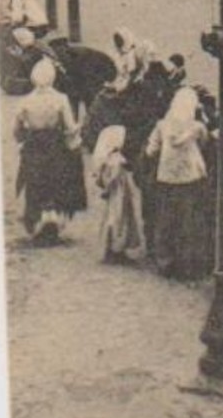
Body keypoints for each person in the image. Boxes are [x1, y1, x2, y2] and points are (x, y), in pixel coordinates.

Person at [12, 57, 87, 243]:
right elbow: (70, 127)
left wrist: (22, 140)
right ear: (53, 77)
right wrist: (77, 134)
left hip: (34, 145)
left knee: (36, 182)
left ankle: (38, 221)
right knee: (55, 181)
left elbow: (17, 130)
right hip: (55, 144)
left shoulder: (25, 101)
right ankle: (52, 220)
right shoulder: (61, 99)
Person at [145, 86, 212, 280]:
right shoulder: (197, 127)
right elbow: (204, 145)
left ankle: (166, 261)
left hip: (166, 177)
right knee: (191, 222)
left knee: (166, 221)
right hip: (192, 178)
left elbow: (151, 150)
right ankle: (190, 264)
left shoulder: (162, 125)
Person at [92, 124, 143, 263]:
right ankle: (116, 248)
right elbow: (113, 178)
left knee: (116, 218)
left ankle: (114, 248)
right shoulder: (117, 160)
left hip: (118, 193)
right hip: (119, 193)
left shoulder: (107, 159)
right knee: (118, 219)